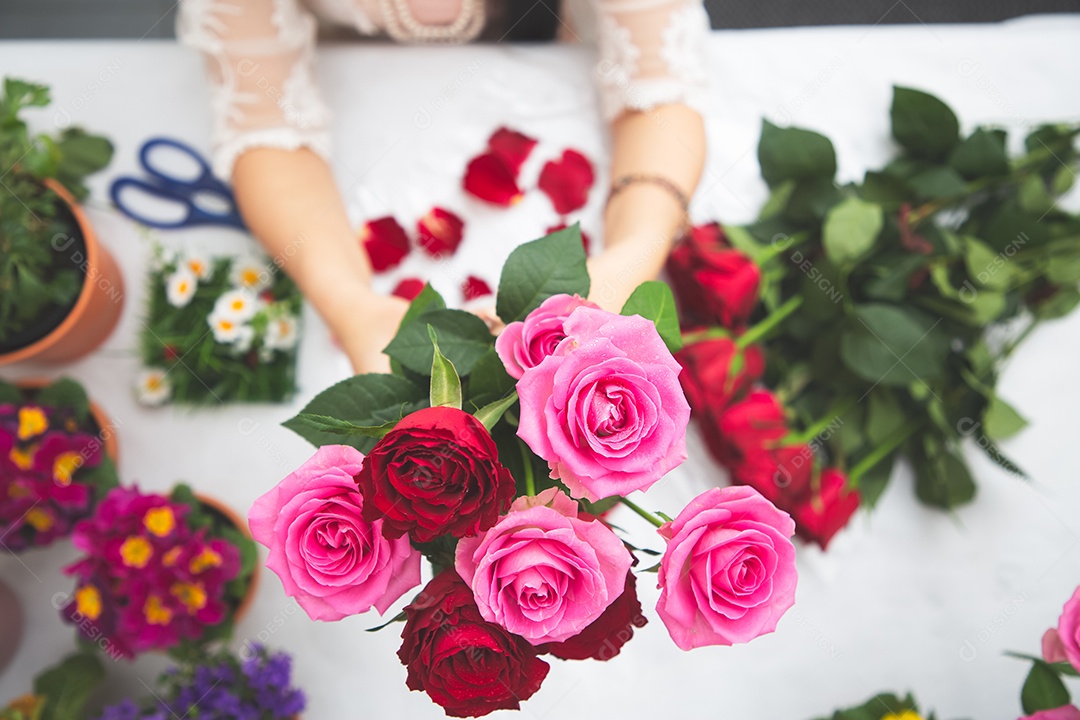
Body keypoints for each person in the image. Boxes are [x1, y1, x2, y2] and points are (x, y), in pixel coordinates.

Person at [177, 0, 709, 373]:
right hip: (342, 69)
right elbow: (266, 124)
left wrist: (630, 258)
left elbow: (660, 89)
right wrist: (354, 308)